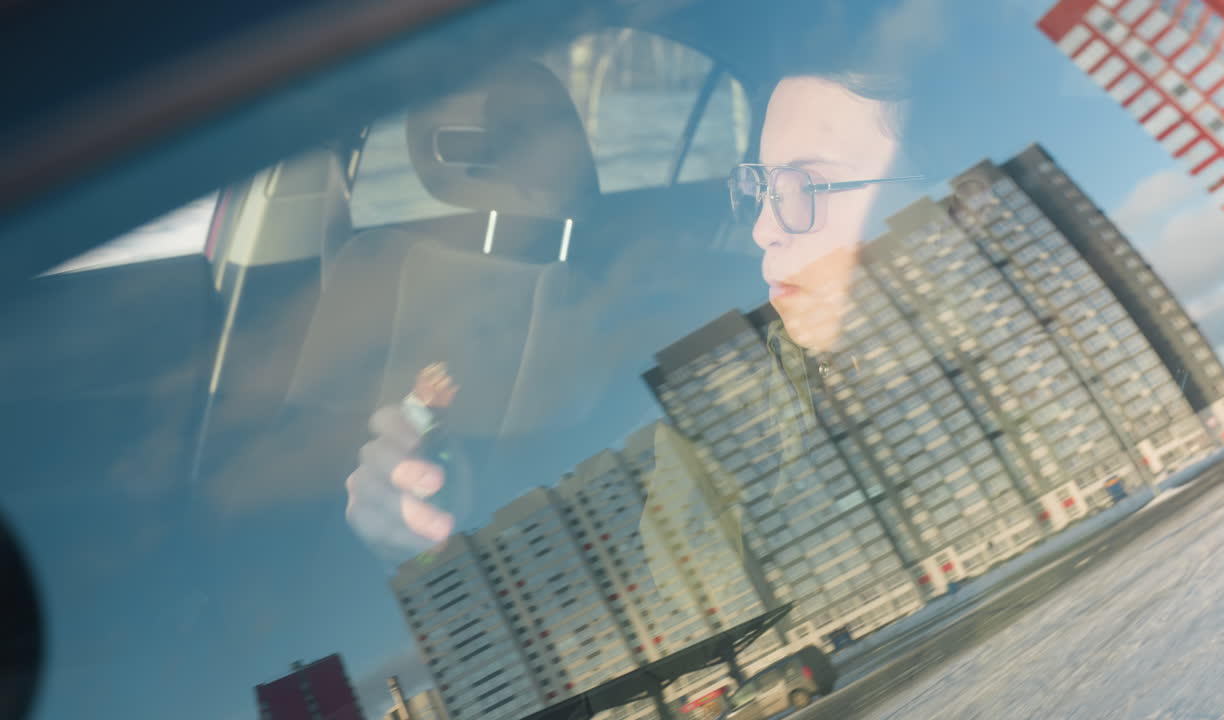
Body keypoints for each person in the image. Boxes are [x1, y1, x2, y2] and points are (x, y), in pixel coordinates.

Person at [345, 6, 922, 574]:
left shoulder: (712, 326)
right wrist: (433, 517)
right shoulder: (724, 385)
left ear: (926, 183)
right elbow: (663, 562)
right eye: (764, 188)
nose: (761, 228)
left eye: (808, 185)